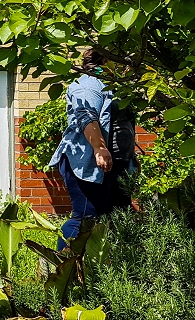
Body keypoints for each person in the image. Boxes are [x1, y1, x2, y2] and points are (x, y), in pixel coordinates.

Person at [48, 49, 134, 251]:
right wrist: (99, 148)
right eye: (121, 61)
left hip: (115, 163)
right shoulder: (87, 84)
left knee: (119, 215)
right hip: (88, 161)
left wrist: (130, 158)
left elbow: (121, 125)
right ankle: (62, 266)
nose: (126, 66)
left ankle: (110, 268)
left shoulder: (113, 87)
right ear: (105, 59)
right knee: (85, 217)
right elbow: (86, 116)